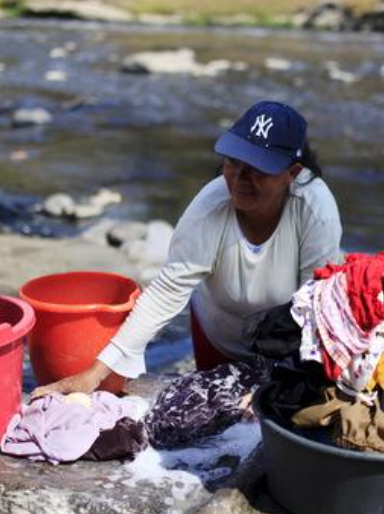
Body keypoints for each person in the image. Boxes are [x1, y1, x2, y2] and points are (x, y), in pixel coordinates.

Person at [32, 100, 342, 397]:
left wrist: (282, 383)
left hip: (290, 341)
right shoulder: (210, 206)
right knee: (214, 418)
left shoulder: (315, 210)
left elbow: (317, 306)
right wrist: (95, 373)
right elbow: (167, 291)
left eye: (258, 169)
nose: (240, 179)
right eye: (234, 163)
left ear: (292, 173)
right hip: (218, 333)